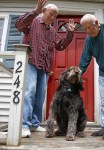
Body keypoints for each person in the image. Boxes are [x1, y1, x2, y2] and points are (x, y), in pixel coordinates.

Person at [15, 0, 75, 138]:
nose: (52, 17)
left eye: (55, 15)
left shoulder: (52, 31)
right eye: (50, 14)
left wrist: (70, 33)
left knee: (40, 96)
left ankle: (34, 124)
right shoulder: (33, 21)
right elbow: (19, 24)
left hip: (45, 66)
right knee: (29, 91)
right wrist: (35, 10)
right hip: (31, 61)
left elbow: (60, 46)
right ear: (43, 12)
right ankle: (24, 125)